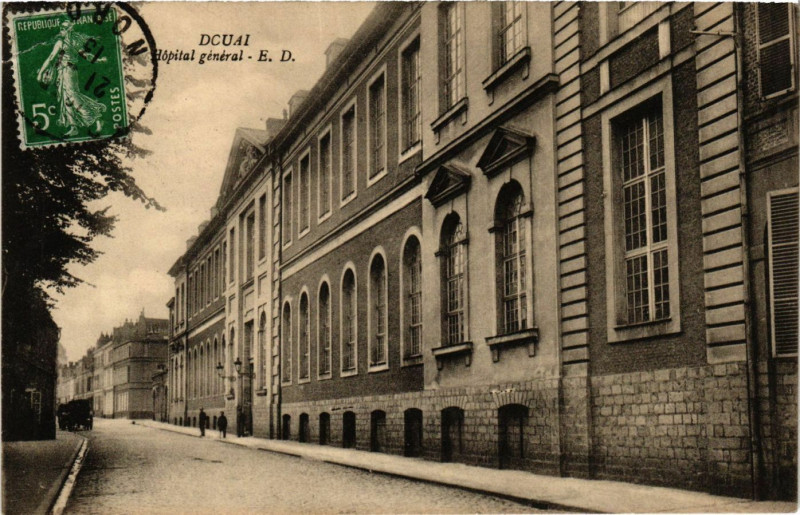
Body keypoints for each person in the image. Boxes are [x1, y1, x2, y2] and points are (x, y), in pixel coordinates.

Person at [35, 21, 107, 137]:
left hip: (68, 71)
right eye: (61, 28)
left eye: (63, 28)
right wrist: (99, 60)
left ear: (69, 30)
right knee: (66, 99)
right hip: (64, 72)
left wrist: (41, 73)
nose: (61, 30)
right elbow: (85, 56)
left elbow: (51, 58)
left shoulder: (66, 42)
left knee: (73, 96)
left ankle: (95, 118)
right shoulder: (70, 42)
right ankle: (73, 127)